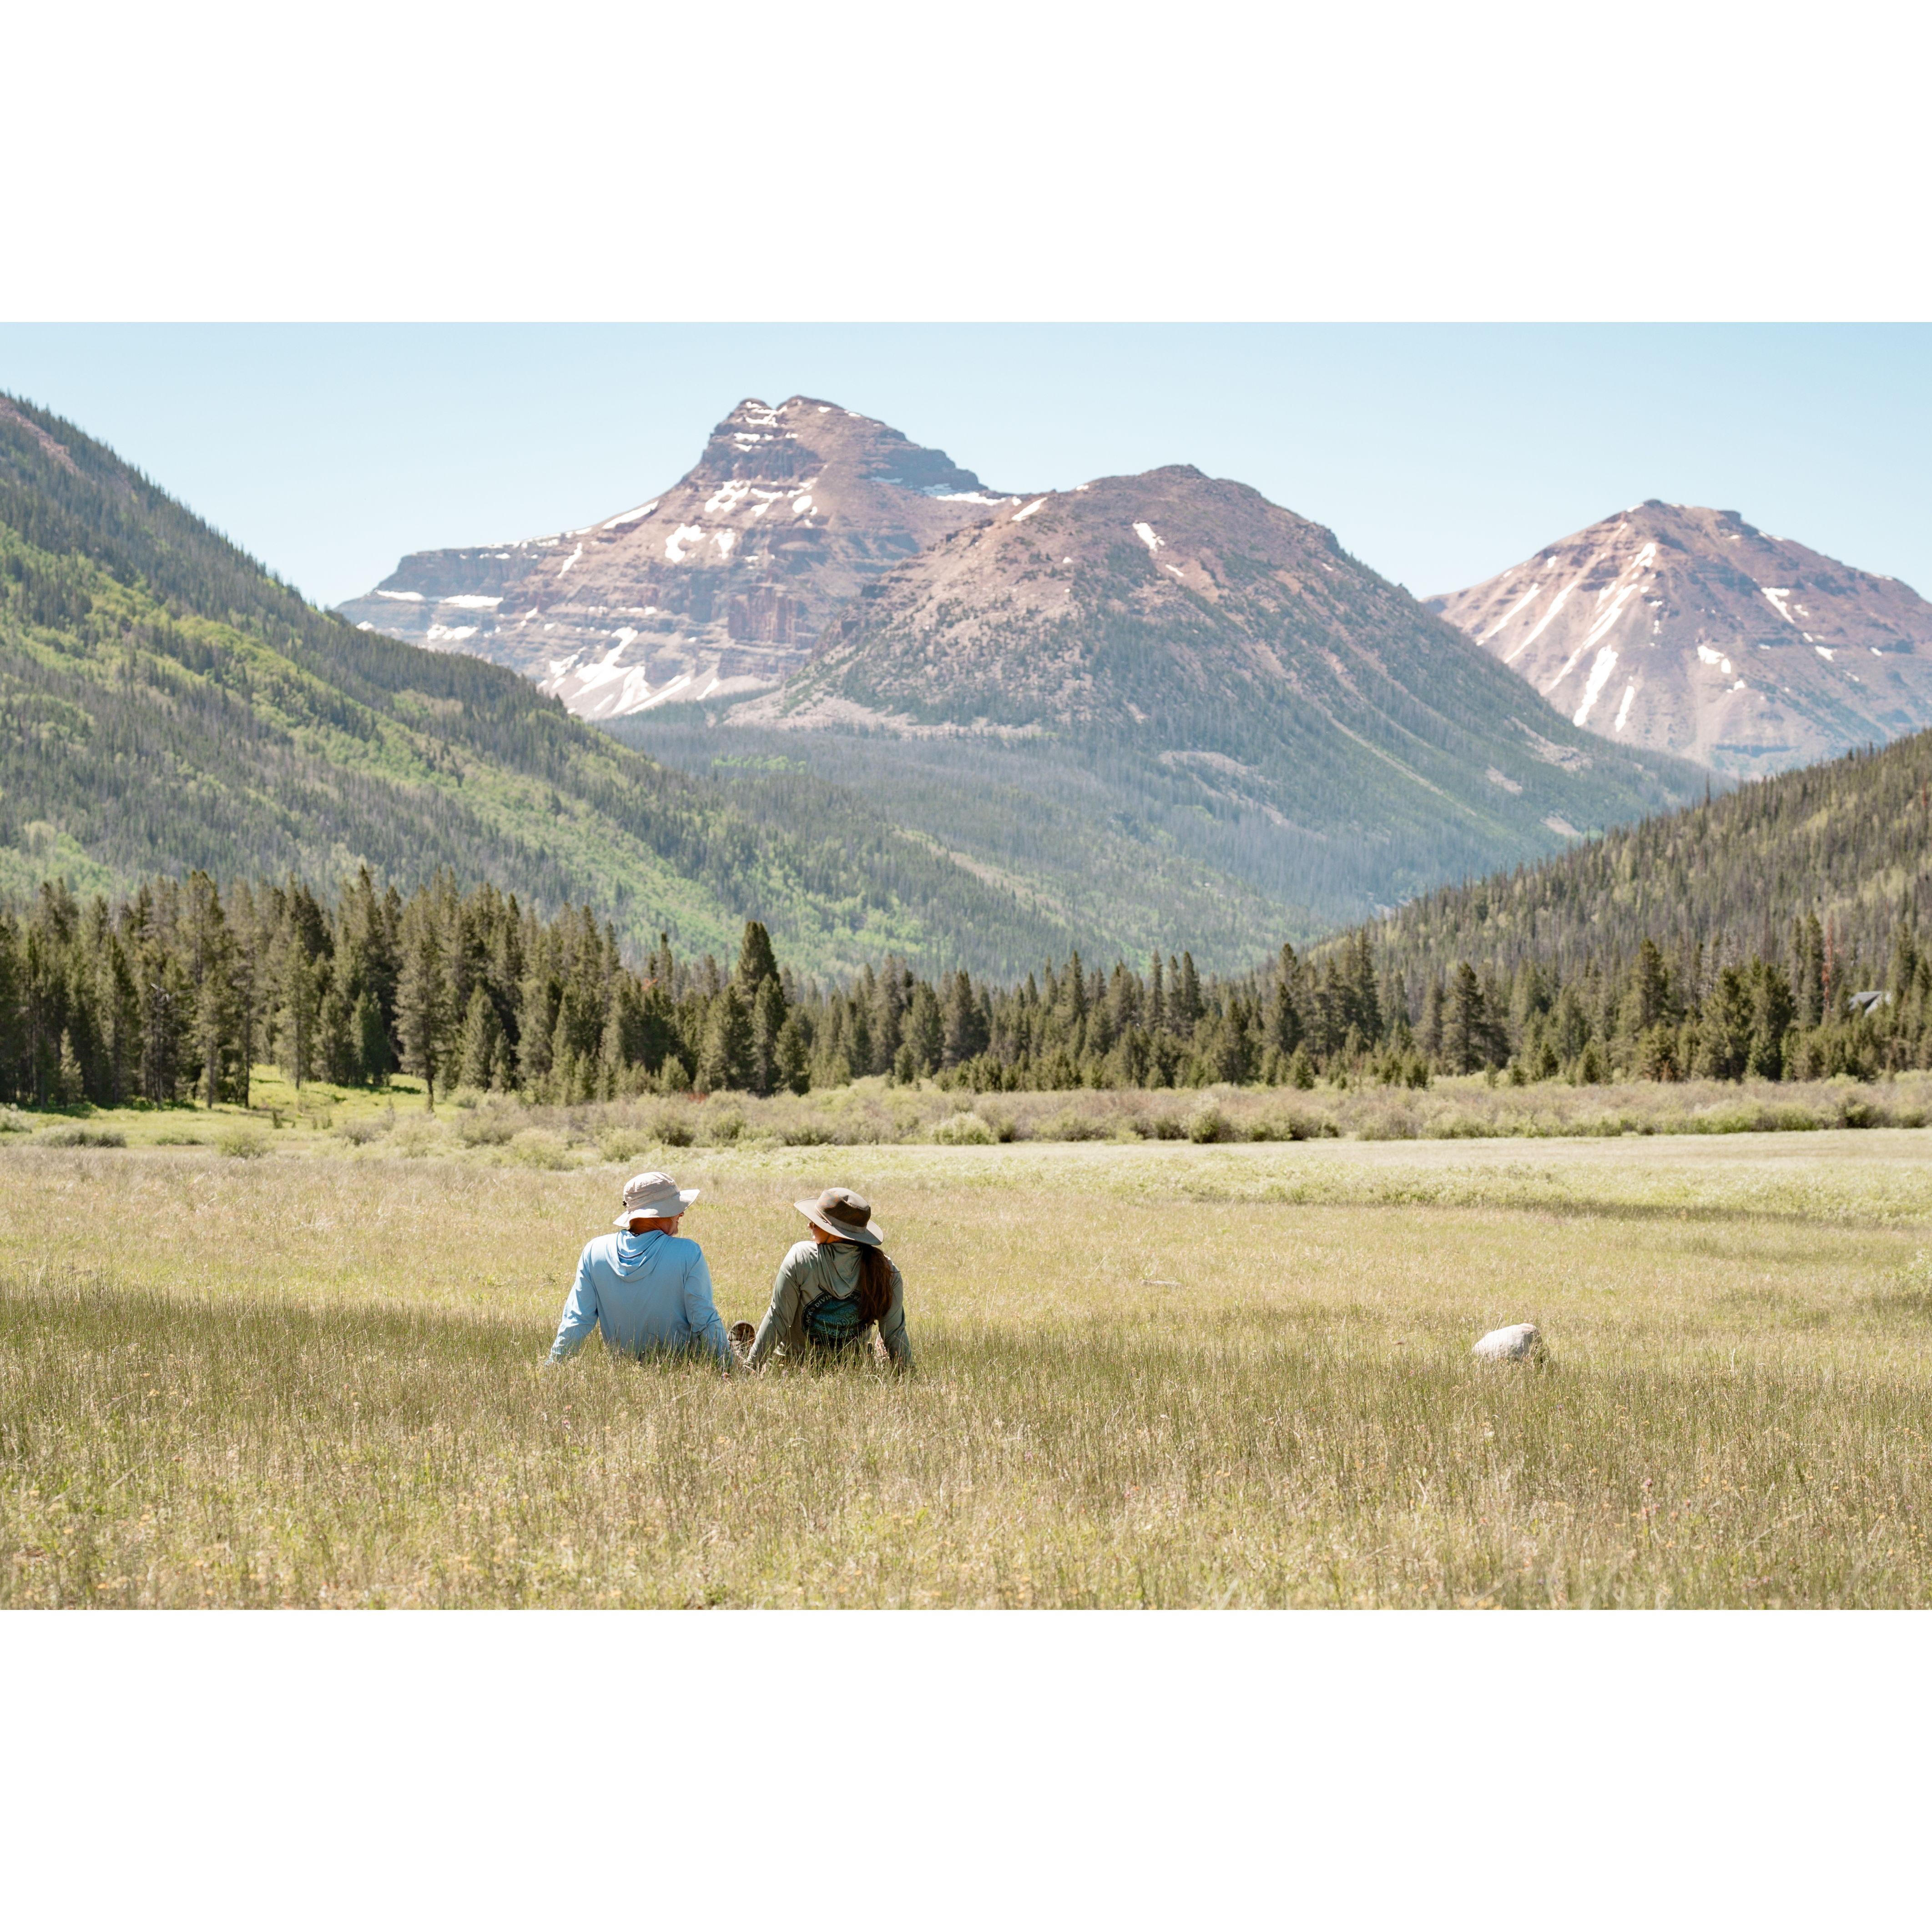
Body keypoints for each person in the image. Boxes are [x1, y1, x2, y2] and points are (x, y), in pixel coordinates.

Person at [547, 1170, 736, 1373]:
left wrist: (551, 1368)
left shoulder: (594, 1251)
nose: (681, 1214)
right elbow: (704, 1319)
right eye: (677, 1208)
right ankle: (737, 1349)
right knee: (734, 1349)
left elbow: (576, 1320)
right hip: (682, 1368)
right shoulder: (688, 1252)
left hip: (623, 1368)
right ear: (661, 1212)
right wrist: (729, 1368)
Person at [743, 1187, 912, 1372]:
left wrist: (751, 1368)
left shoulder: (802, 1258)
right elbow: (895, 1334)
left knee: (735, 1351)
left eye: (817, 1222)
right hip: (853, 1371)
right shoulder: (886, 1269)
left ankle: (740, 1347)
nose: (810, 1225)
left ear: (836, 1232)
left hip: (794, 1369)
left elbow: (778, 1319)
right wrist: (909, 1375)